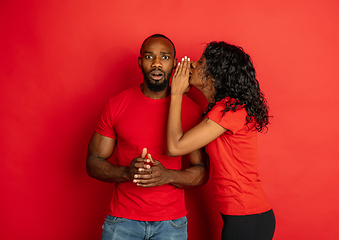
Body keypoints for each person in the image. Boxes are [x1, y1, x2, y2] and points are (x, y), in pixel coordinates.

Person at [86, 34, 209, 240]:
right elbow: (93, 162)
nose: (157, 63)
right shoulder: (116, 105)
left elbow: (202, 172)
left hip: (171, 224)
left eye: (165, 57)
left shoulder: (191, 111)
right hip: (122, 221)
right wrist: (128, 172)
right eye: (150, 57)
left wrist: (166, 176)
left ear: (175, 63)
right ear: (140, 62)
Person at [167, 41, 275, 240]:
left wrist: (175, 94)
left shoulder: (230, 109)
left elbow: (175, 147)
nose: (191, 64)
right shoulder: (222, 110)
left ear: (215, 74)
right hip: (244, 214)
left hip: (248, 215)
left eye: (200, 62)